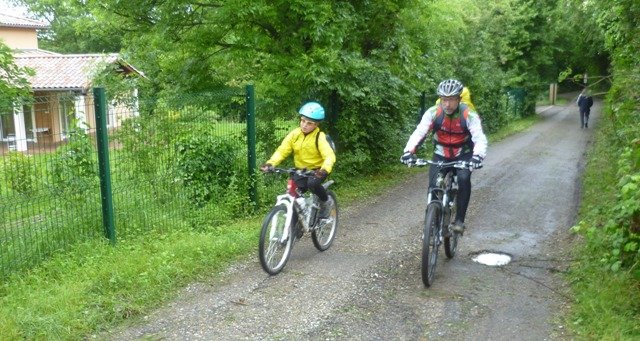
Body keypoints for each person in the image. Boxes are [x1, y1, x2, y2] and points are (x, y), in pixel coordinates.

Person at [400, 79, 488, 233]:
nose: (447, 104)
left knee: (463, 179)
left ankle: (459, 220)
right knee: (434, 185)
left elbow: (479, 138)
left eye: (452, 100)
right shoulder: (433, 113)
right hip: (441, 153)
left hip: (464, 154)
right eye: (444, 99)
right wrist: (408, 152)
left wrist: (477, 157)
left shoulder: (469, 115)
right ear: (440, 99)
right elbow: (420, 132)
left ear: (459, 99)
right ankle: (431, 221)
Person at [260, 101, 336, 218]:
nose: (304, 125)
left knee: (312, 183)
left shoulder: (319, 137)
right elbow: (282, 150)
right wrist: (271, 163)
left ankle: (325, 202)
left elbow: (329, 156)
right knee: (293, 193)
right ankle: (296, 226)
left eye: (309, 123)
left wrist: (323, 170)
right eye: (303, 121)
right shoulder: (294, 134)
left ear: (316, 125)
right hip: (301, 170)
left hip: (317, 171)